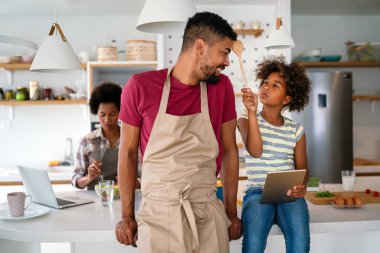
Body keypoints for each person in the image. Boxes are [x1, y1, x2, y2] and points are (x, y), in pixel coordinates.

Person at [115, 11, 242, 252]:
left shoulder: (222, 87)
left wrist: (231, 213)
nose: (227, 62)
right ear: (200, 46)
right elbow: (128, 153)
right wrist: (126, 216)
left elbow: (229, 151)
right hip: (158, 217)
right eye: (224, 52)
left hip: (207, 215)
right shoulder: (140, 86)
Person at [238, 56, 312, 253]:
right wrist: (252, 112)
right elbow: (256, 151)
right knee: (253, 244)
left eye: (275, 85)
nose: (266, 87)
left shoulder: (296, 130)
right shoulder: (245, 121)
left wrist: (302, 187)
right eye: (265, 83)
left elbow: (303, 169)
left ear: (286, 99)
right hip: (257, 193)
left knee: (300, 241)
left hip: (288, 193)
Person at [72, 82, 122, 190]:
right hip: (94, 201)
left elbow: (144, 177)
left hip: (125, 199)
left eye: (112, 114)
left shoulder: (131, 140)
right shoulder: (86, 141)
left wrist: (130, 181)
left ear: (120, 112)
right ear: (96, 113)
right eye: (102, 115)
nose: (107, 120)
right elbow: (76, 179)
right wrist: (89, 178)